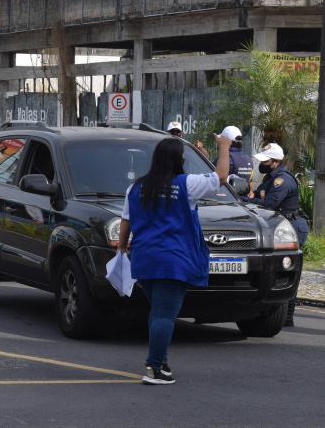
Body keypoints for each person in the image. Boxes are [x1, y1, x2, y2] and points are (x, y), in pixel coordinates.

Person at [118, 133, 232, 385]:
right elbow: (221, 176)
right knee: (165, 315)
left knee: (158, 311)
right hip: (173, 261)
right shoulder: (187, 184)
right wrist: (224, 147)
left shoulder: (136, 187)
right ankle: (154, 368)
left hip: (143, 260)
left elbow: (126, 219)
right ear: (179, 159)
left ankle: (162, 361)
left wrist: (121, 248)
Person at [241, 142, 308, 327]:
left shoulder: (282, 179)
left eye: (266, 161)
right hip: (278, 227)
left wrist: (244, 200)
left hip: (291, 227)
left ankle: (287, 316)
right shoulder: (270, 176)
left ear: (276, 161)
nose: (262, 164)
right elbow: (259, 196)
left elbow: (269, 203)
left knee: (286, 271)